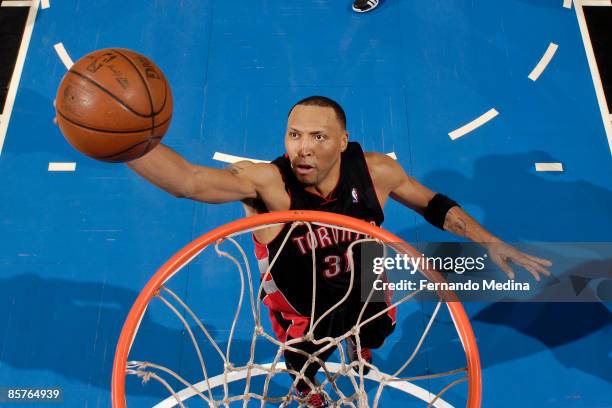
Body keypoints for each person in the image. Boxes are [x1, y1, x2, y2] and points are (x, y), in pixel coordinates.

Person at [126, 96, 551, 407]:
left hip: (366, 288)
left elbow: (432, 205)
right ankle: (310, 393)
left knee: (376, 334)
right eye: (294, 135)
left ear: (343, 141)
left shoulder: (375, 170)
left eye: (317, 136)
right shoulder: (268, 185)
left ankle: (360, 348)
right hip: (302, 307)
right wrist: (124, 142)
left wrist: (488, 239)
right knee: (303, 365)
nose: (303, 147)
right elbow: (189, 182)